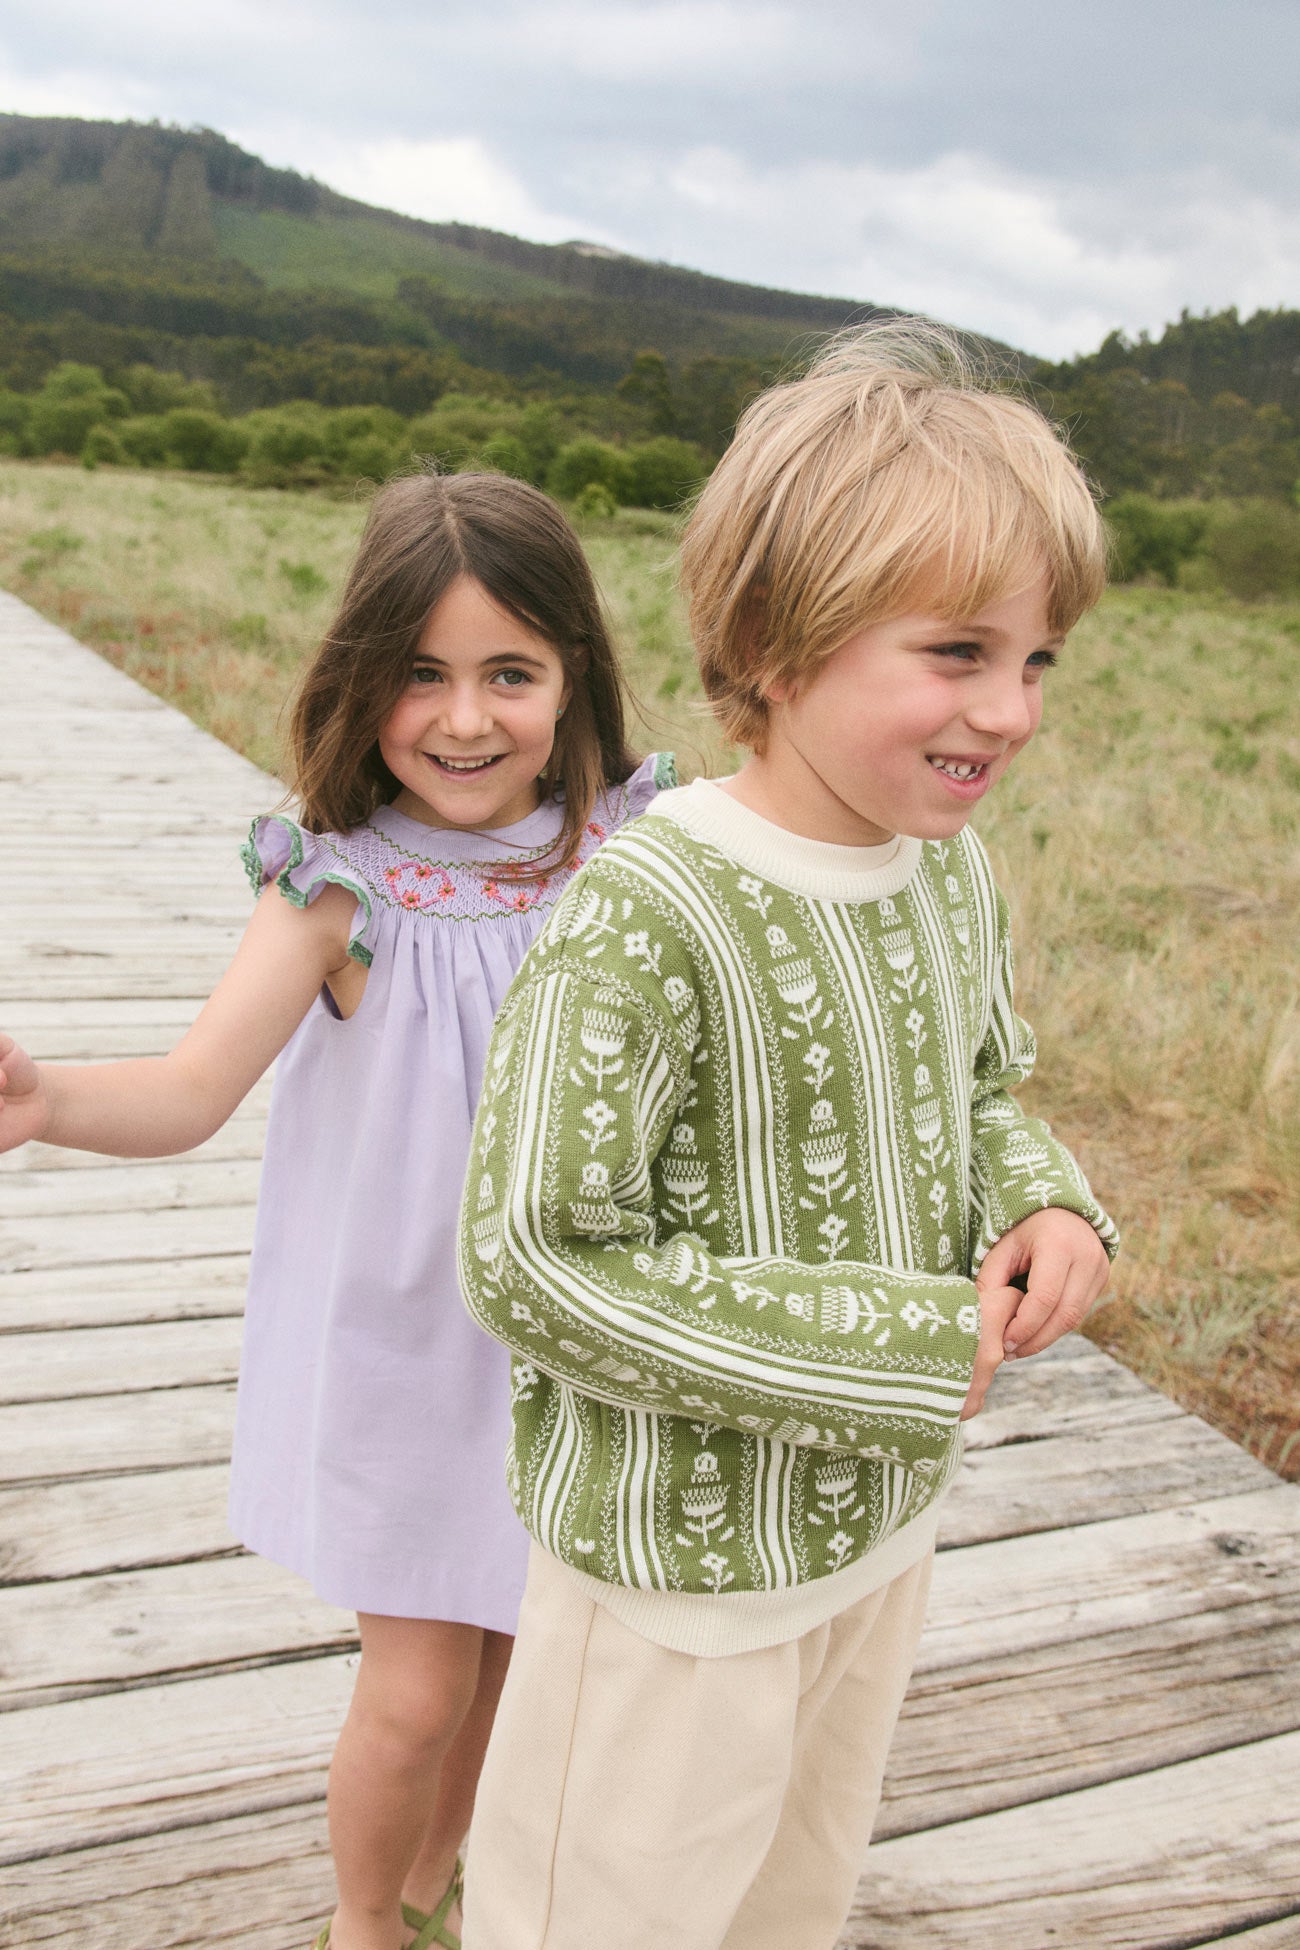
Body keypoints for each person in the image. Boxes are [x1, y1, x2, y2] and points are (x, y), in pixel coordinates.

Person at [454, 323, 1120, 1950]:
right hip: (676, 1587)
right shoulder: (649, 914)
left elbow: (976, 1088)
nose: (1012, 709)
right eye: (959, 651)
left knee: (790, 1902)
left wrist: (1049, 1204)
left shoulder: (942, 872)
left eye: (1038, 659)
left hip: (876, 1537)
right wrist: (898, 1337)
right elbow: (534, 1252)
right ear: (775, 638)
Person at [0, 471, 674, 1950]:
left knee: (514, 1657)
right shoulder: (338, 889)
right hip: (402, 1351)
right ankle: (364, 1918)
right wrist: (46, 1100)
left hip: (562, 1340)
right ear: (361, 680)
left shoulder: (622, 853)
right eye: (420, 674)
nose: (465, 718)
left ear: (575, 680)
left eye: (512, 673)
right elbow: (192, 1085)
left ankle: (442, 1894)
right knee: (419, 1683)